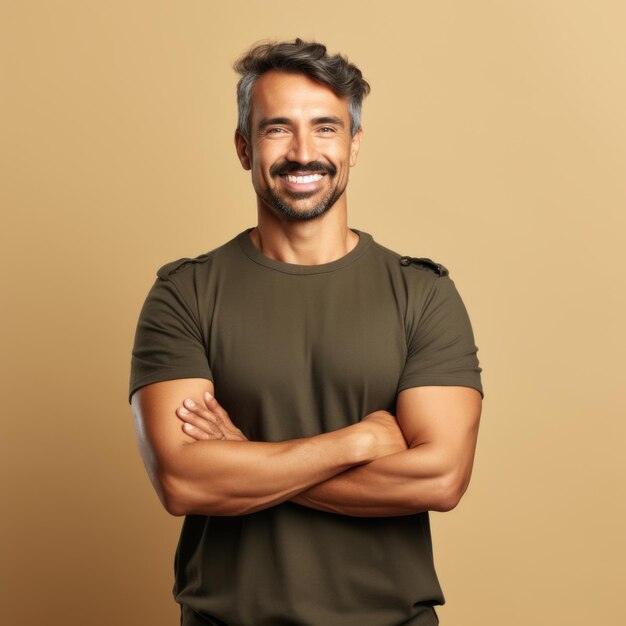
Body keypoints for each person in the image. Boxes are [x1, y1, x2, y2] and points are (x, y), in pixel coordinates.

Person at [129, 38, 483, 626]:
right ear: (244, 147)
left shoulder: (423, 294)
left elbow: (440, 477)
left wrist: (245, 461)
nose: (302, 152)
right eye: (276, 129)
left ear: (353, 145)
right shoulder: (184, 294)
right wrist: (358, 443)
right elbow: (182, 481)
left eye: (324, 128)